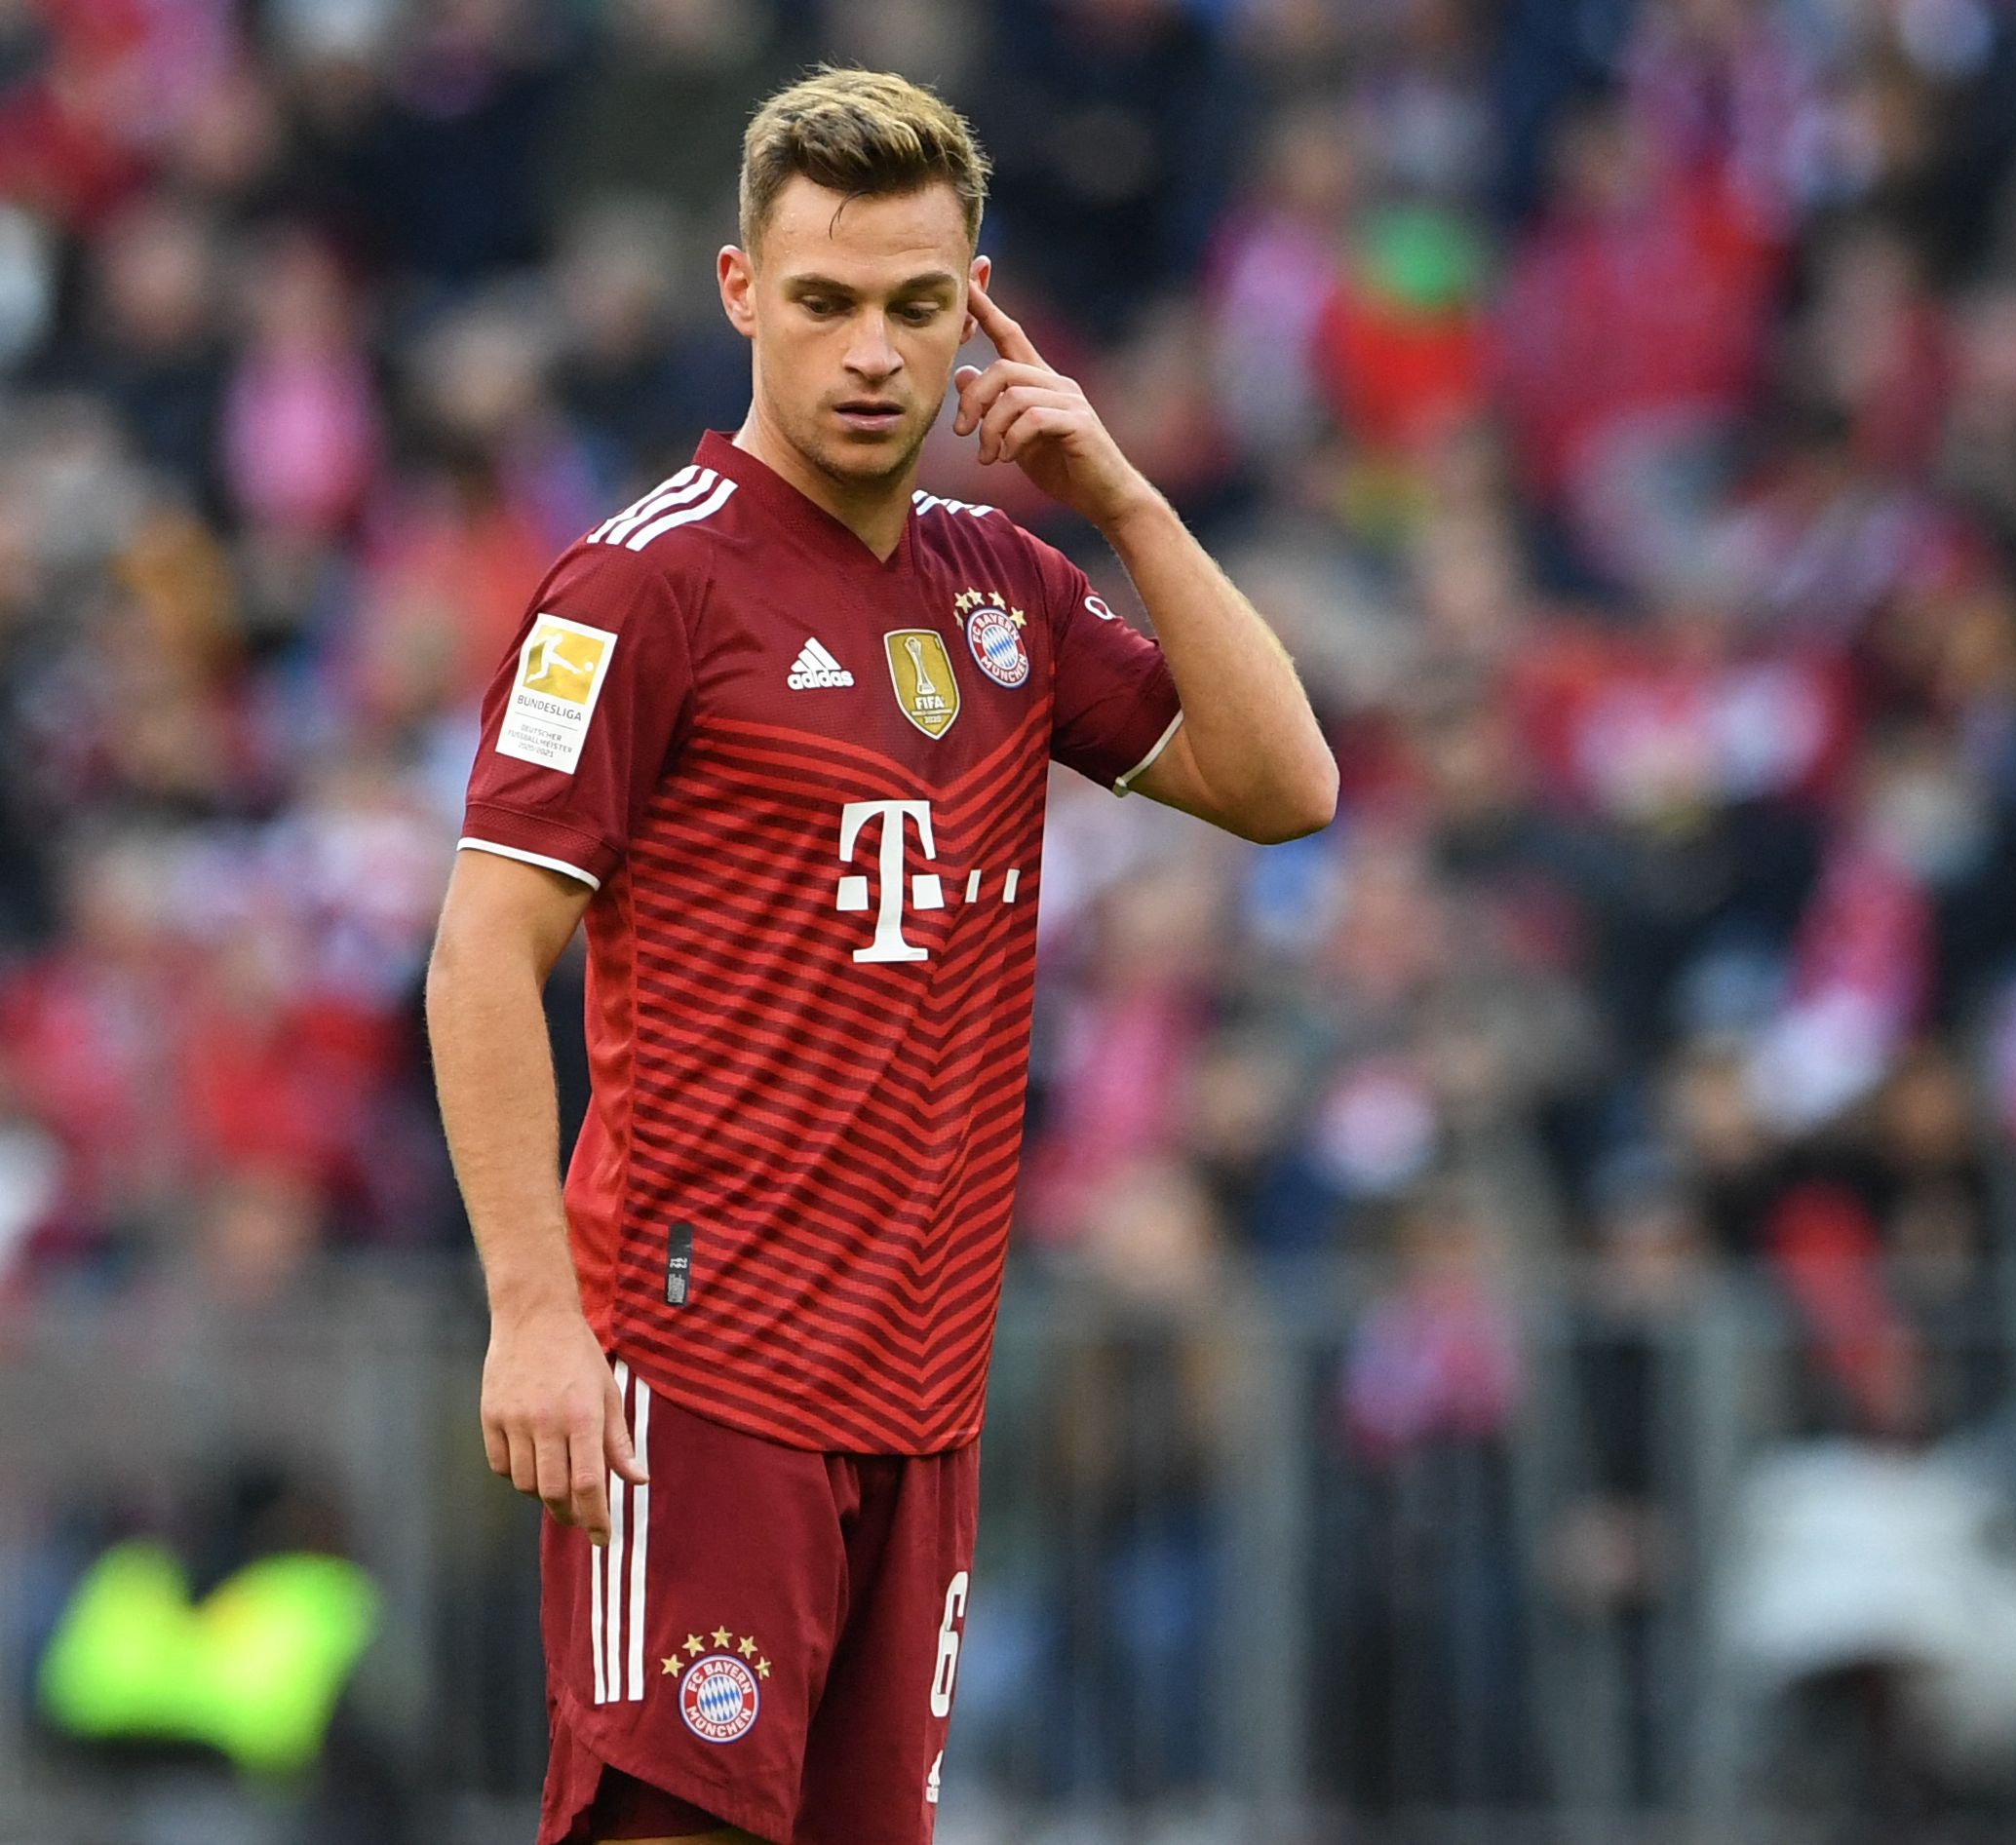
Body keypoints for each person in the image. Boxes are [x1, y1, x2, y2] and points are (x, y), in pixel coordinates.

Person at [422, 67, 1338, 1845]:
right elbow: (480, 952)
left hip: (918, 1394)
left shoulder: (1003, 586)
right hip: (694, 1378)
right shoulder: (643, 588)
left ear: (974, 305)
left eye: (920, 306)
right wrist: (534, 1314)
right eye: (827, 299)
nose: (871, 350)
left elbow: (1284, 782)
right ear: (739, 291)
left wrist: (1121, 493)